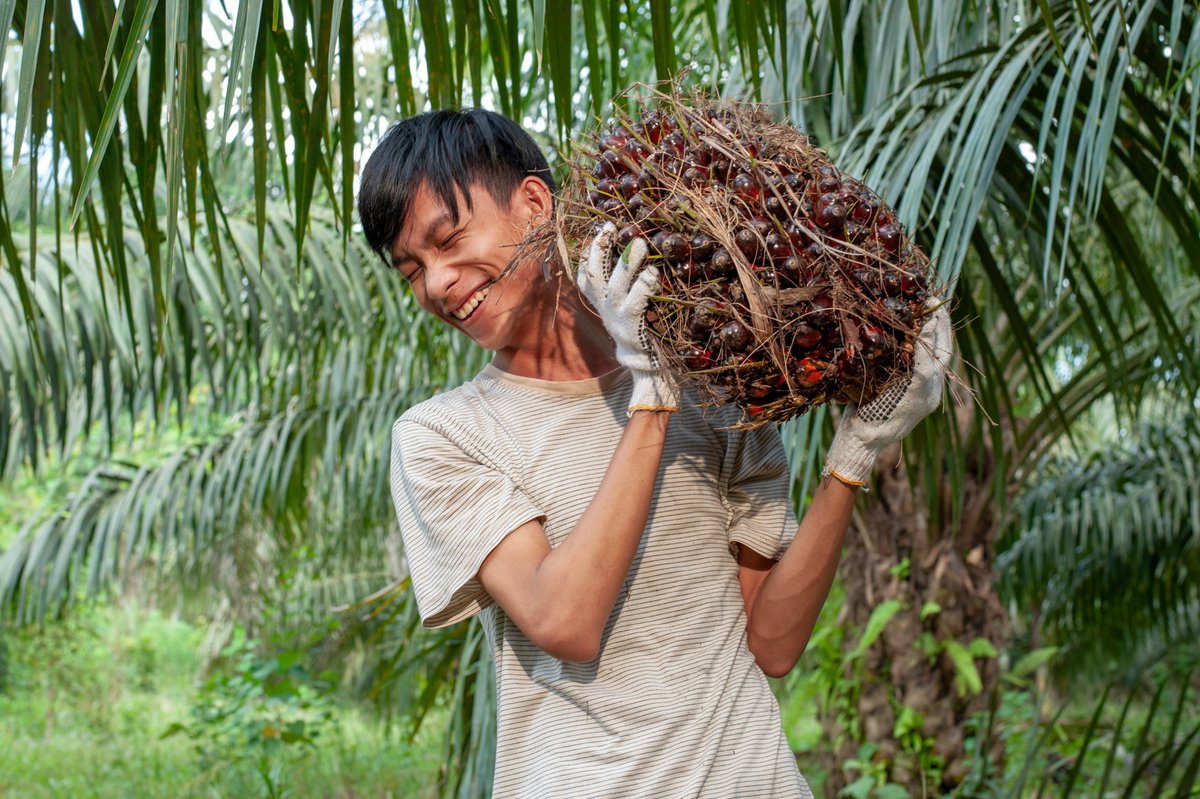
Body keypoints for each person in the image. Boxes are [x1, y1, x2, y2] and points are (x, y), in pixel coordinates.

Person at [358, 108, 951, 798]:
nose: (436, 283)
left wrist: (853, 456)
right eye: (412, 270)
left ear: (533, 204)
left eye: (448, 240)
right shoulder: (445, 435)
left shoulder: (716, 385)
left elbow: (774, 641)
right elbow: (564, 620)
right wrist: (652, 397)